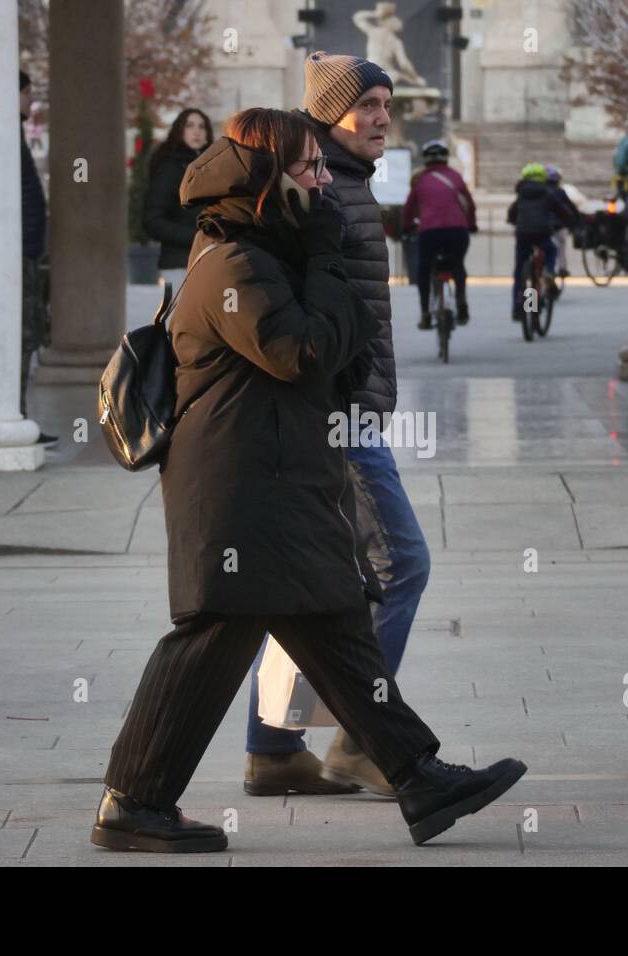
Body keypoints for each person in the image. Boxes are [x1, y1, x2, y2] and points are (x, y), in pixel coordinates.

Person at [92, 108, 526, 853]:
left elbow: (341, 352)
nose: (324, 181)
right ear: (267, 176)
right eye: (309, 169)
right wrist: (328, 264)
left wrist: (328, 277)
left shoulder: (269, 251)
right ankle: (132, 802)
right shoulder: (234, 262)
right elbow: (302, 353)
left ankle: (419, 776)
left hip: (281, 478)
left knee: (334, 620)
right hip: (240, 490)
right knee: (212, 638)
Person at [237, 51, 434, 800]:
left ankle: (276, 748)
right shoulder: (325, 195)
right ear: (327, 117)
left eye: (388, 103)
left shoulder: (344, 188)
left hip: (343, 414)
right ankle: (361, 737)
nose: (383, 116)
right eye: (369, 105)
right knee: (400, 566)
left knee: (314, 583)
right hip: (339, 420)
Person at [18, 72, 57, 446]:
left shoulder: (13, 135)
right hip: (17, 256)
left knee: (29, 334)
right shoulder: (5, 136)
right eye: (27, 93)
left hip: (26, 252)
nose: (31, 101)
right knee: (24, 334)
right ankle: (15, 414)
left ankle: (19, 414)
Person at [401, 139, 476, 329]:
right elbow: (470, 204)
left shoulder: (420, 180)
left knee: (424, 270)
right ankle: (461, 302)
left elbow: (409, 209)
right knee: (458, 264)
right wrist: (471, 225)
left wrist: (406, 227)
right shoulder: (456, 177)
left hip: (430, 232)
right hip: (457, 231)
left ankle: (425, 313)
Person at [143, 108, 213, 298]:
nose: (197, 131)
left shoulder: (212, 167)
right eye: (190, 125)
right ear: (179, 131)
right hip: (179, 264)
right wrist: (196, 236)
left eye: (202, 126)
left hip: (209, 260)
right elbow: (152, 220)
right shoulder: (170, 167)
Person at [507, 161, 575, 322]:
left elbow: (512, 213)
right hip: (542, 233)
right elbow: (562, 211)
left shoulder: (521, 195)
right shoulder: (547, 193)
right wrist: (569, 221)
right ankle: (548, 273)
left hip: (523, 235)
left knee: (519, 271)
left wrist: (512, 220)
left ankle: (519, 305)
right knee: (551, 250)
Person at [544, 163, 579, 281]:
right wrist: (574, 222)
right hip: (558, 226)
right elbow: (569, 209)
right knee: (560, 247)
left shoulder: (540, 192)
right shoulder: (559, 192)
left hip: (542, 226)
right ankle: (562, 268)